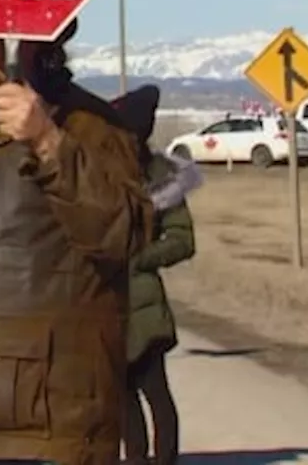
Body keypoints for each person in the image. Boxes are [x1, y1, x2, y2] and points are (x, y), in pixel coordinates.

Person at [0, 12, 152, 465]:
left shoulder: (86, 124)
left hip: (40, 425)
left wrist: (47, 142)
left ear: (28, 41)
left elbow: (124, 232)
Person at [112, 85, 199, 465]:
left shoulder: (161, 178)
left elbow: (183, 240)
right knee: (121, 397)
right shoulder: (99, 170)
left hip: (144, 303)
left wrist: (140, 258)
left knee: (155, 393)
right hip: (104, 305)